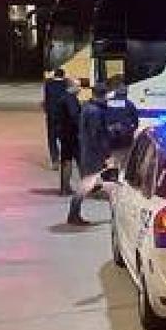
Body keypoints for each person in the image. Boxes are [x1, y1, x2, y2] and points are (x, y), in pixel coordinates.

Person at [71, 84, 111, 226]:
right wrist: (105, 153)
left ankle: (74, 213)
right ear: (103, 94)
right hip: (92, 154)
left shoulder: (87, 107)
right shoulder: (95, 111)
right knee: (85, 184)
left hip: (87, 151)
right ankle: (73, 214)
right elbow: (96, 136)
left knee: (88, 182)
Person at [55, 79, 83, 196]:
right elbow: (74, 116)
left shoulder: (63, 98)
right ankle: (86, 186)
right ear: (71, 87)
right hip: (72, 135)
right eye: (78, 86)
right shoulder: (70, 99)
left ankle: (64, 188)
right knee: (80, 161)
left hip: (64, 133)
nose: (80, 88)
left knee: (66, 160)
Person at [103, 75, 139, 150]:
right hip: (125, 138)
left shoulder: (107, 102)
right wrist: (129, 129)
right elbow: (135, 121)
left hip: (111, 139)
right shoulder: (129, 104)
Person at [42, 68, 68, 169]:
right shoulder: (66, 84)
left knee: (52, 137)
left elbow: (46, 98)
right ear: (63, 75)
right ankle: (65, 159)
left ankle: (55, 160)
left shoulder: (48, 84)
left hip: (51, 114)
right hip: (64, 115)